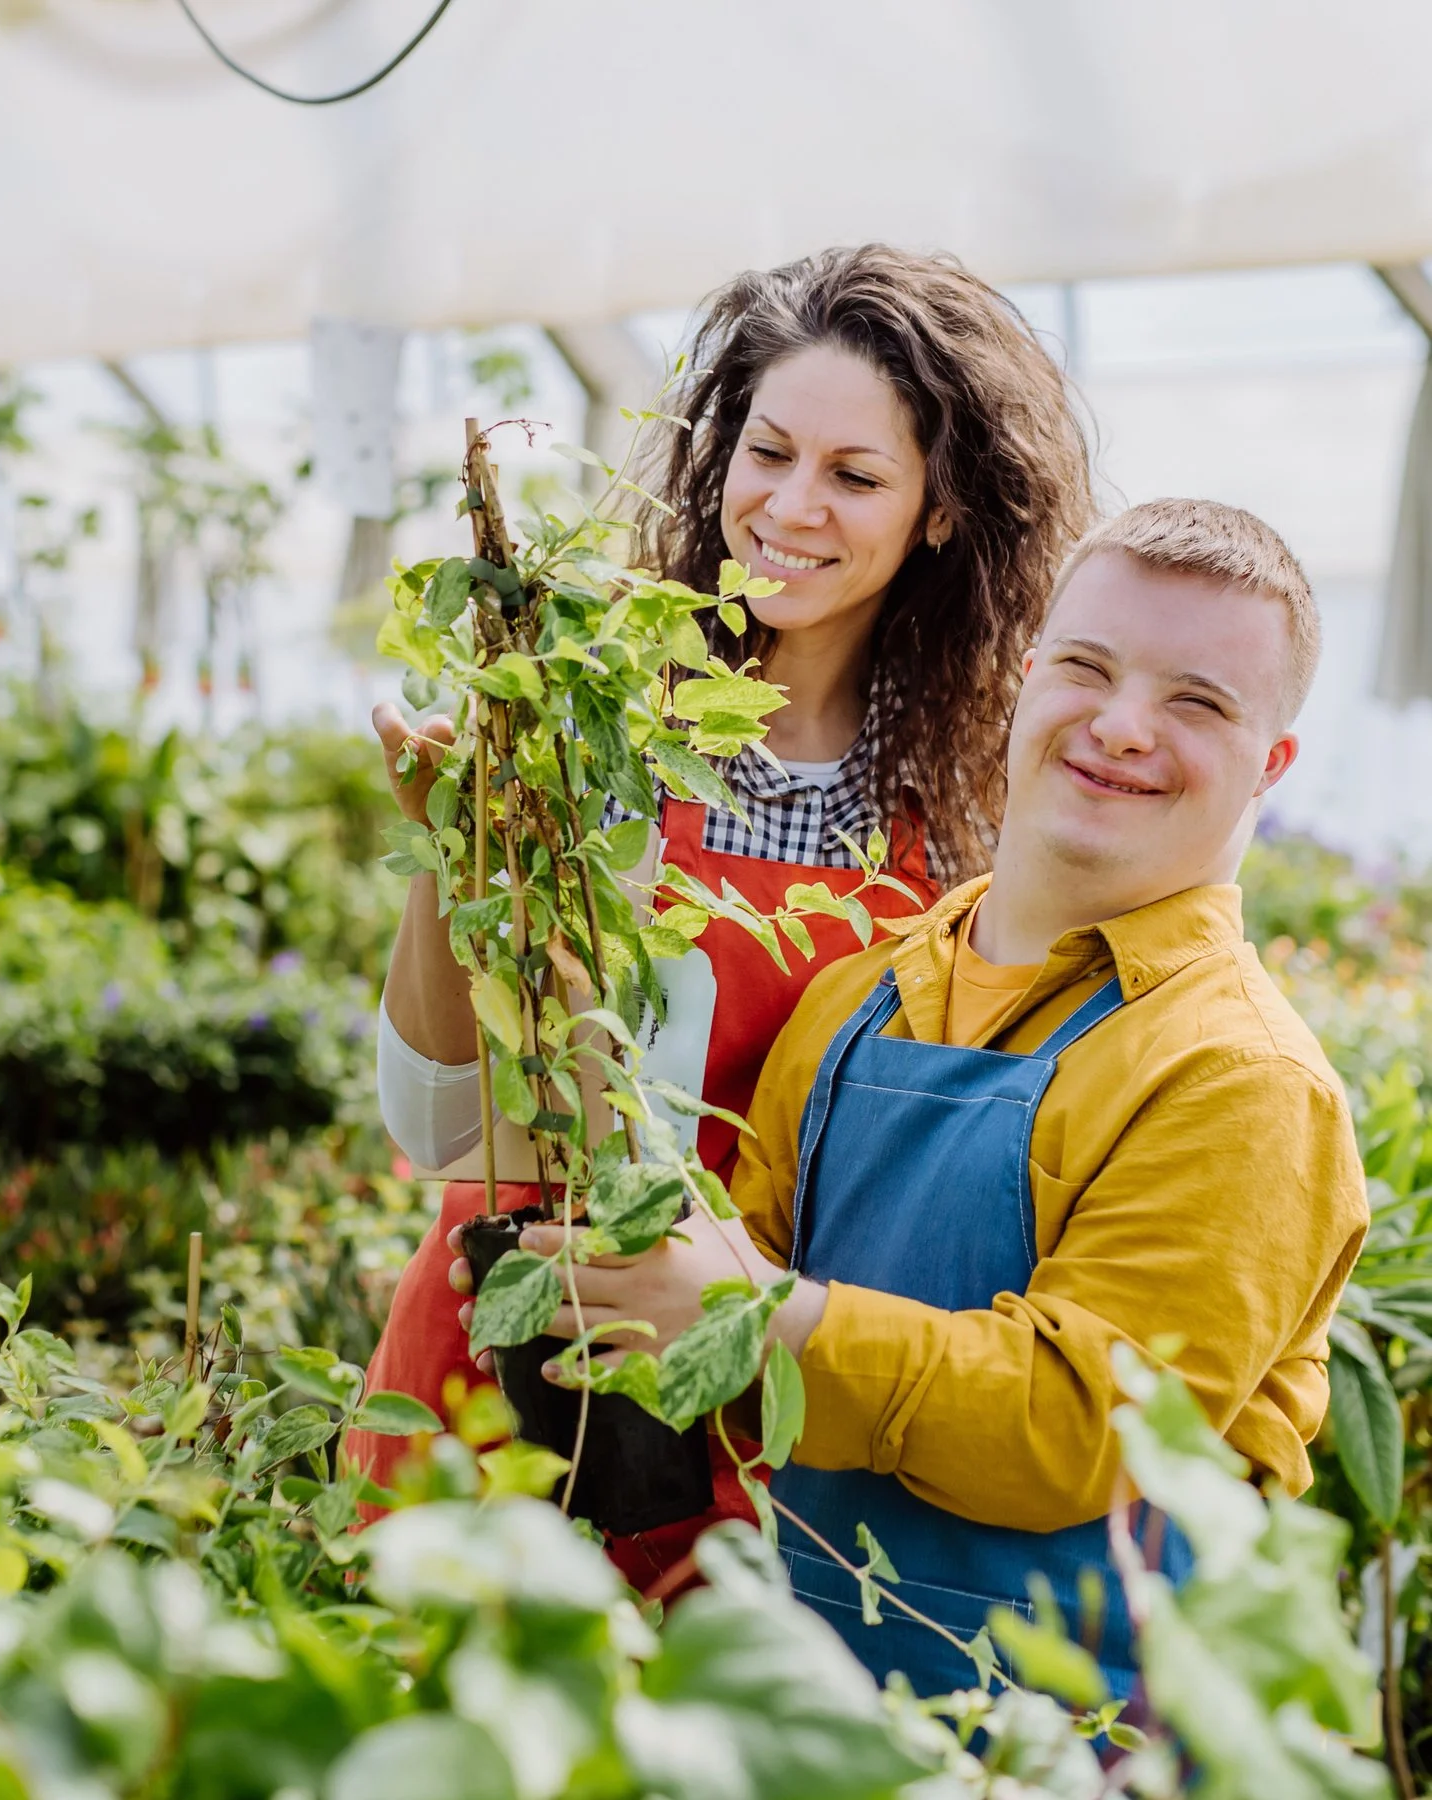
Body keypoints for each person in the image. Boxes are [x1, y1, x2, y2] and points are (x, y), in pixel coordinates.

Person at [476, 498, 1369, 1696]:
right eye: (1086, 669)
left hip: (1089, 1742)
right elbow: (738, 1355)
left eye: (1195, 702)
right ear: (1025, 680)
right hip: (820, 1699)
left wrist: (753, 1319)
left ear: (1270, 765)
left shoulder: (1240, 1079)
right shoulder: (859, 997)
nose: (1119, 726)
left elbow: (1080, 1425)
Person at [352, 245, 1095, 1587]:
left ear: (938, 513)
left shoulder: (968, 812)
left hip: (752, 1397)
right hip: (512, 1354)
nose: (791, 508)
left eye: (856, 476)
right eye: (769, 452)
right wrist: (449, 846)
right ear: (717, 457)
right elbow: (434, 1123)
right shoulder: (593, 712)